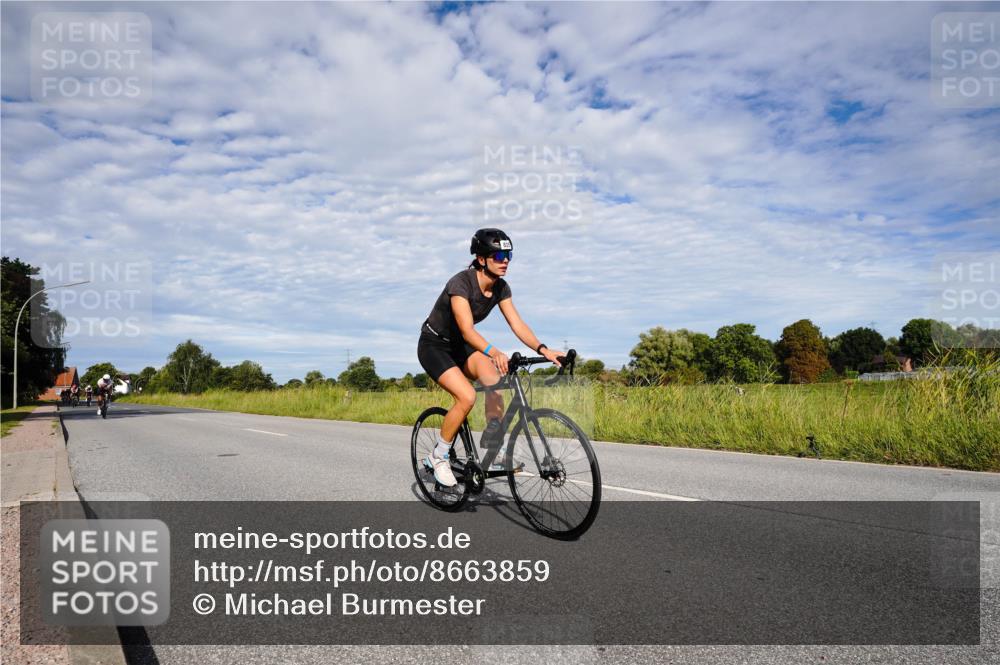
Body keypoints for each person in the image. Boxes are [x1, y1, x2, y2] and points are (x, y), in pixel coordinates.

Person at [417, 228, 562, 487]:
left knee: (494, 380)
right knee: (467, 396)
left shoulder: (501, 288)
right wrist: (493, 351)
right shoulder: (460, 283)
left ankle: (494, 453)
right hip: (434, 346)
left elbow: (517, 324)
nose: (505, 260)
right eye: (498, 255)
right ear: (482, 259)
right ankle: (437, 456)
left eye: (508, 255)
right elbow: (466, 329)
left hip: (461, 347)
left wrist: (543, 349)